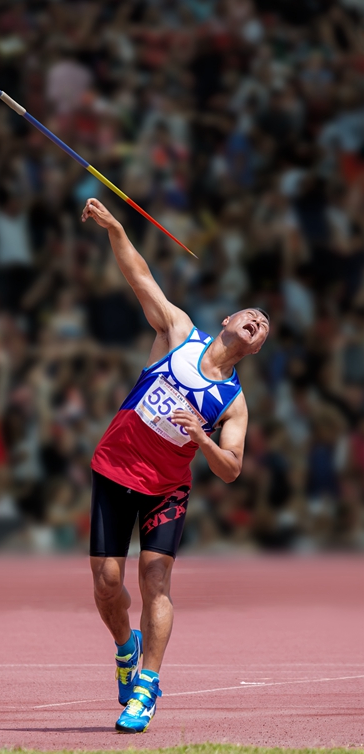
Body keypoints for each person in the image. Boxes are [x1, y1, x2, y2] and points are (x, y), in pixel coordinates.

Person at [81, 197, 270, 734]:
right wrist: (116, 227)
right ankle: (125, 647)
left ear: (254, 349)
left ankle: (145, 687)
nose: (257, 322)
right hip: (116, 469)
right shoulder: (178, 333)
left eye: (264, 327)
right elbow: (139, 274)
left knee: (155, 579)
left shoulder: (232, 403)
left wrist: (200, 439)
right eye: (251, 315)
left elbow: (231, 468)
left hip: (166, 488)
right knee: (105, 582)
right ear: (227, 320)